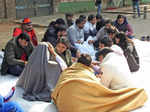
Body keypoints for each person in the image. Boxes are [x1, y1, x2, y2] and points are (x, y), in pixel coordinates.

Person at [51, 53, 147, 112]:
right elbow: (99, 89)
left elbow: (56, 91)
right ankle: (139, 94)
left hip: (63, 106)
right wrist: (98, 78)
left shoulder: (67, 71)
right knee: (112, 100)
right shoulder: (88, 73)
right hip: (78, 108)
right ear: (89, 65)